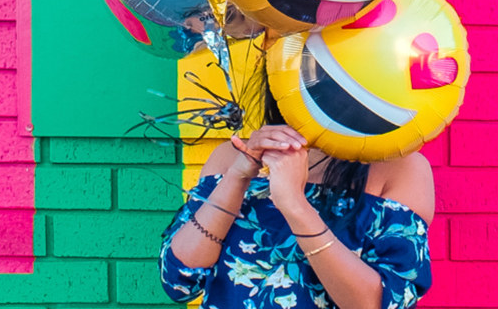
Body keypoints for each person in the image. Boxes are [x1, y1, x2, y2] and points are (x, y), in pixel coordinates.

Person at [159, 91, 434, 308]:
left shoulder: (398, 169)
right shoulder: (230, 157)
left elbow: (382, 302)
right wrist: (237, 177)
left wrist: (294, 204)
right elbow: (178, 282)